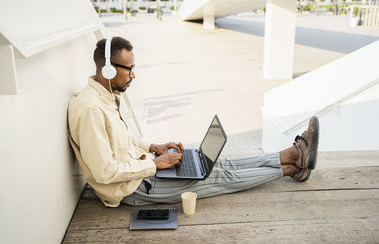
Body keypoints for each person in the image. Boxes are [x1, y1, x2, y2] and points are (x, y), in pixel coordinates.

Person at [68, 36, 319, 207]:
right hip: (132, 189)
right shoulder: (90, 109)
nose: (134, 75)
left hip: (140, 169)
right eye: (129, 68)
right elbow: (105, 171)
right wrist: (156, 165)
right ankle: (293, 167)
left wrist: (153, 147)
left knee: (218, 165)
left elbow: (120, 139)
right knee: (218, 179)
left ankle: (292, 154)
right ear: (108, 69)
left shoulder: (103, 96)